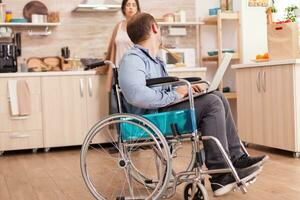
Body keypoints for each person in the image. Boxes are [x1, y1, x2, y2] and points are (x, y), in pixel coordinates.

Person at [118, 13, 268, 196]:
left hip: (163, 112)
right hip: (153, 119)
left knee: (217, 96)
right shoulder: (132, 59)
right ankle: (220, 175)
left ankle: (237, 159)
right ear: (155, 27)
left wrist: (182, 87)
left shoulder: (154, 59)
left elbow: (160, 86)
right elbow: (136, 95)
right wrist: (175, 94)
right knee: (212, 103)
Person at [104, 0, 141, 91]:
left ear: (137, 9)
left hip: (133, 71)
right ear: (124, 8)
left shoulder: (140, 27)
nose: (131, 7)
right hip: (118, 70)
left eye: (134, 5)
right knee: (117, 102)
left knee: (131, 101)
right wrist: (104, 66)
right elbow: (111, 48)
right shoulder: (119, 26)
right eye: (128, 5)